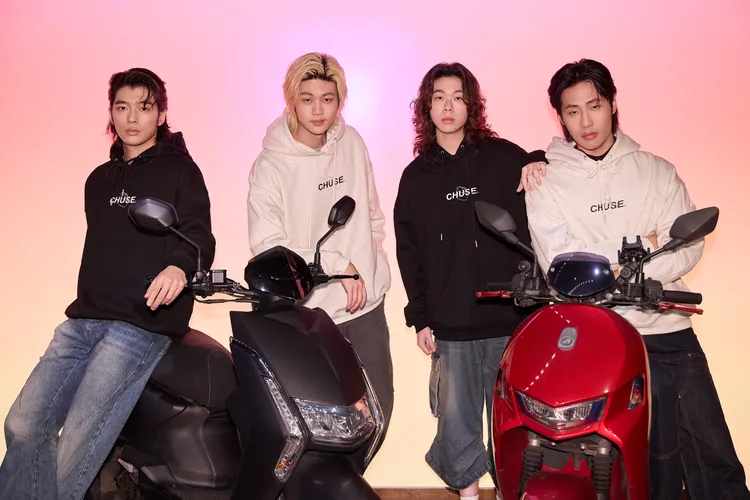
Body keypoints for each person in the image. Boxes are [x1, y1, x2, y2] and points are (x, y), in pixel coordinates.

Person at [520, 58, 749, 500]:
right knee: (622, 459)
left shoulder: (657, 171)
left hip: (665, 325)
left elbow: (687, 246)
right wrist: (643, 245)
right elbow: (558, 261)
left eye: (595, 106)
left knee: (713, 455)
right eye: (572, 111)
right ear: (560, 116)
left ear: (612, 103)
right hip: (593, 333)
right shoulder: (545, 180)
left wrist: (605, 261)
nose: (586, 122)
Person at [0, 68, 215, 500]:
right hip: (84, 320)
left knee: (75, 448)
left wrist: (178, 268)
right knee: (23, 425)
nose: (132, 117)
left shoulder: (181, 171)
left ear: (161, 114)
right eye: (122, 107)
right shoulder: (98, 181)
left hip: (138, 325)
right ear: (111, 114)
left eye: (144, 107)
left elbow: (198, 236)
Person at [394, 62, 546, 500]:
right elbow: (409, 254)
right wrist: (421, 318)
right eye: (439, 97)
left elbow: (540, 171)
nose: (448, 106)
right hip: (451, 324)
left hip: (507, 319)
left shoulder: (502, 157)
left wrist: (539, 159)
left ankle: (512, 491)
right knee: (456, 422)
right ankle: (469, 496)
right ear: (426, 107)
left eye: (458, 97)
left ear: (471, 105)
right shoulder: (416, 177)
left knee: (513, 419)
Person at [247, 52, 394, 447]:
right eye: (307, 99)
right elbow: (267, 245)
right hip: (309, 311)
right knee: (320, 426)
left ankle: (354, 481)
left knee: (379, 413)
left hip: (365, 304)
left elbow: (372, 213)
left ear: (339, 100)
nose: (317, 110)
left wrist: (372, 262)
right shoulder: (270, 166)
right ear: (291, 100)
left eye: (327, 99)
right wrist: (336, 263)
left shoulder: (353, 143)